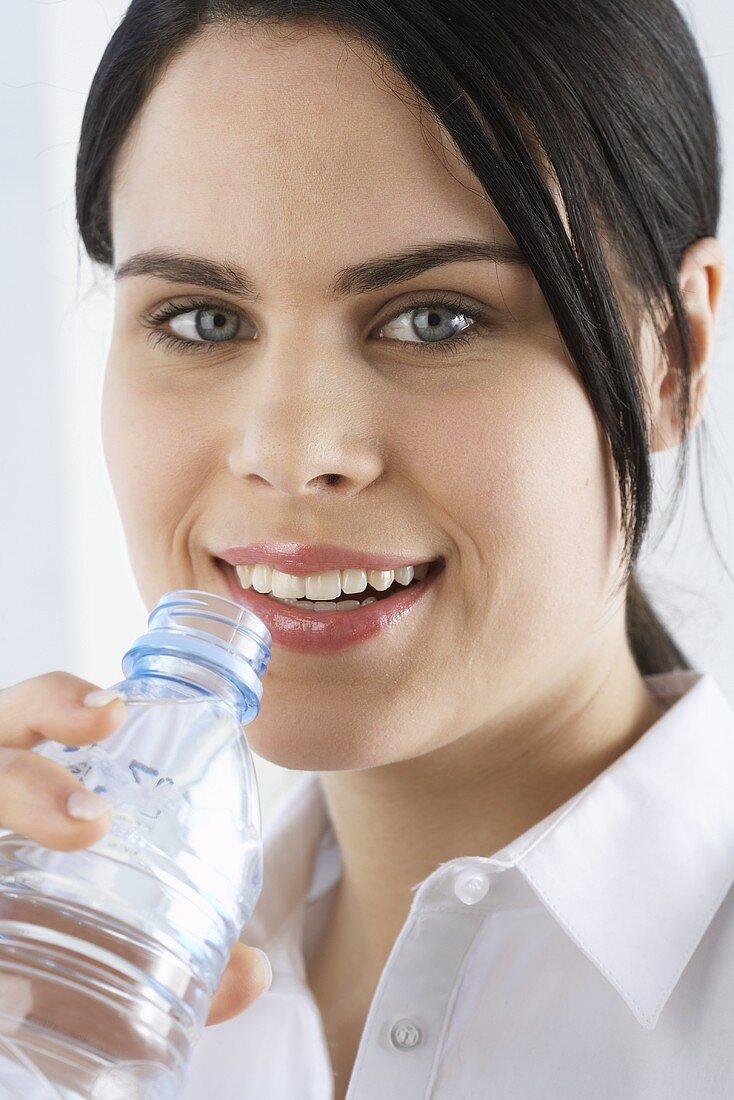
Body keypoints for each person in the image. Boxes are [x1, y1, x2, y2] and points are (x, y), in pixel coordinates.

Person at [1, 0, 732, 1096]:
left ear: (672, 354)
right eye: (201, 318)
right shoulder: (64, 990)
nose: (291, 453)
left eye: (435, 316)